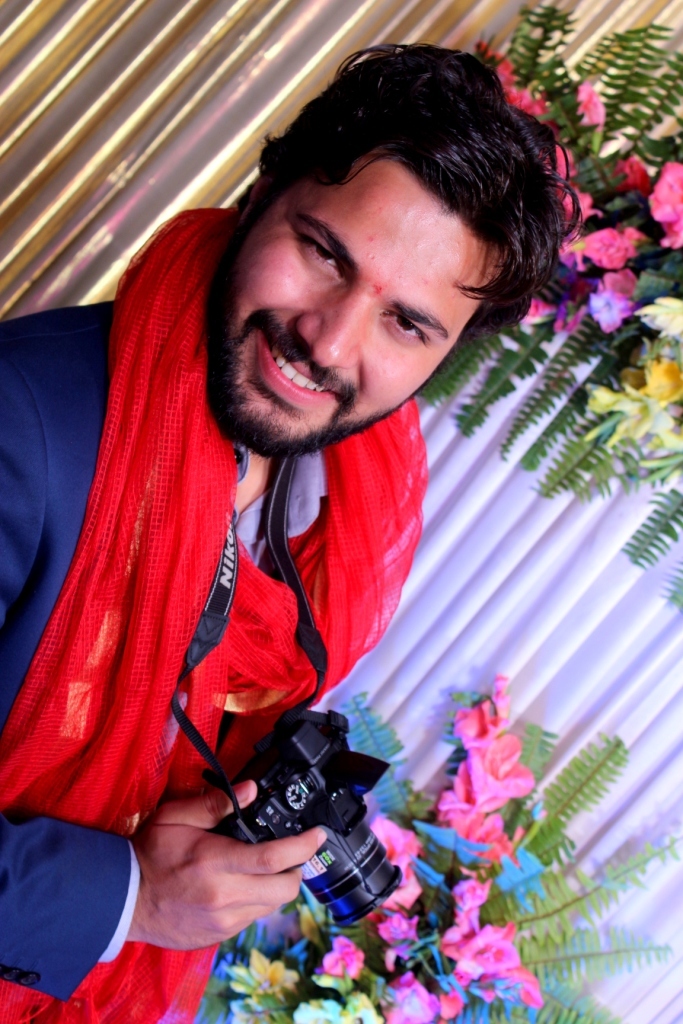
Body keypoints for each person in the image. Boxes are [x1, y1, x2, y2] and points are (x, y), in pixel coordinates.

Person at [0, 44, 577, 1022]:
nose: (329, 340)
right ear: (262, 193)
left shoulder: (333, 491)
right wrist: (131, 897)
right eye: (324, 254)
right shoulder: (20, 425)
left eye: (405, 324)